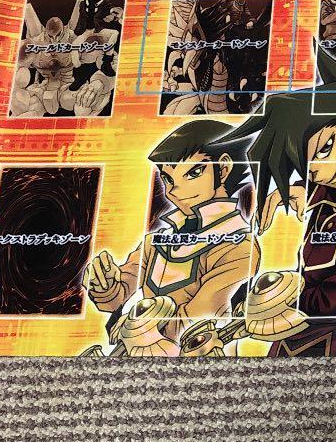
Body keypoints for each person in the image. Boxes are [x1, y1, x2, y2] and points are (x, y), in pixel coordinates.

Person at [215, 47, 336, 356]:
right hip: (287, 344)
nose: (317, 170)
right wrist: (287, 192)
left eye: (325, 148)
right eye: (306, 165)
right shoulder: (324, 193)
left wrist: (274, 297)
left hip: (331, 348)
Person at [84, 119, 259, 355]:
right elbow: (118, 295)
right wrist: (105, 283)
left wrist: (136, 327)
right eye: (168, 179)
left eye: (193, 173)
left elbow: (199, 320)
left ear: (224, 168)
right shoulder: (156, 241)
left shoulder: (238, 245)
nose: (174, 191)